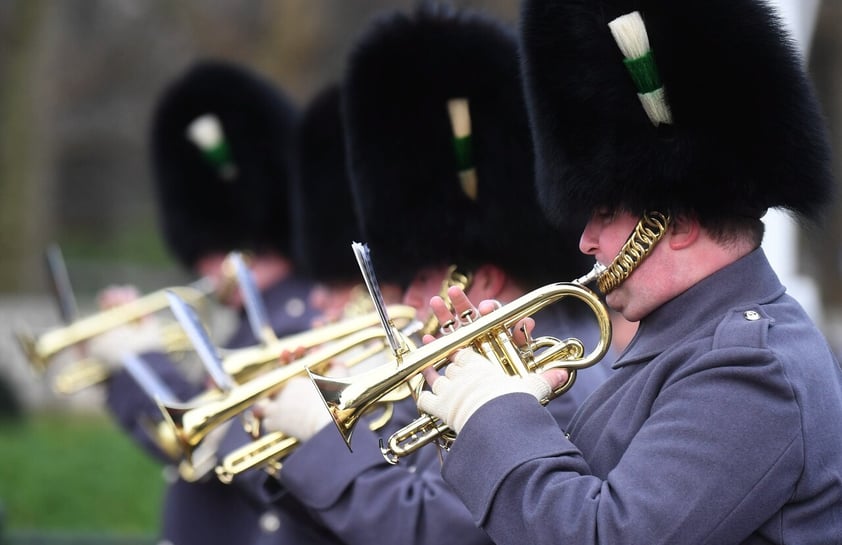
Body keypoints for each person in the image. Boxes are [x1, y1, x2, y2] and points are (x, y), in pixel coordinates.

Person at [415, 1, 842, 543]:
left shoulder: (749, 368)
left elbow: (605, 534)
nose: (585, 240)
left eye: (606, 212)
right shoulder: (684, 344)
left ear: (679, 221)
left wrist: (495, 415)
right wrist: (485, 411)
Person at [255, 5, 619, 545]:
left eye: (422, 276)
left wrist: (321, 439)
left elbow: (432, 529)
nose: (407, 298)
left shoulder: (550, 378)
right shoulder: (459, 366)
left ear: (482, 279)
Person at [87, 59, 321, 545]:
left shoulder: (298, 318)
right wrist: (124, 364)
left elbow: (220, 442)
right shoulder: (252, 318)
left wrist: (141, 359)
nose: (203, 270)